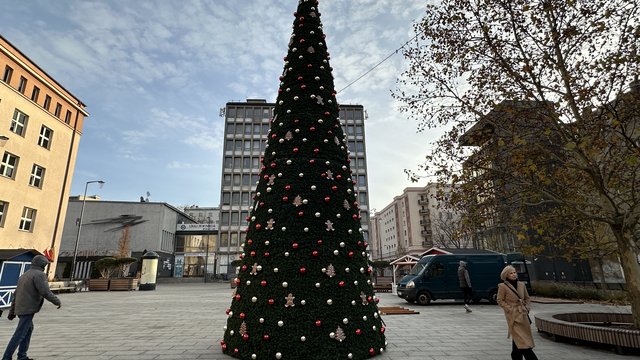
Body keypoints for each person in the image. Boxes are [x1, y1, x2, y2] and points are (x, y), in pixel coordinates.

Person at [3, 255, 61, 360]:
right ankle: (6, 358)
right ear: (42, 264)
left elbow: (15, 294)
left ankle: (22, 356)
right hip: (27, 308)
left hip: (21, 308)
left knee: (28, 330)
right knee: (19, 334)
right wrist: (57, 301)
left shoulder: (24, 275)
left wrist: (12, 311)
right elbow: (45, 292)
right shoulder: (39, 275)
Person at [497, 265, 538, 360]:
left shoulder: (521, 285)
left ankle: (515, 357)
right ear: (506, 275)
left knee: (518, 342)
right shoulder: (502, 286)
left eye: (514, 272)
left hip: (523, 315)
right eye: (511, 273)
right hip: (513, 317)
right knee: (524, 343)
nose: (514, 274)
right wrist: (510, 309)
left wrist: (527, 308)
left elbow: (527, 298)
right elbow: (500, 300)